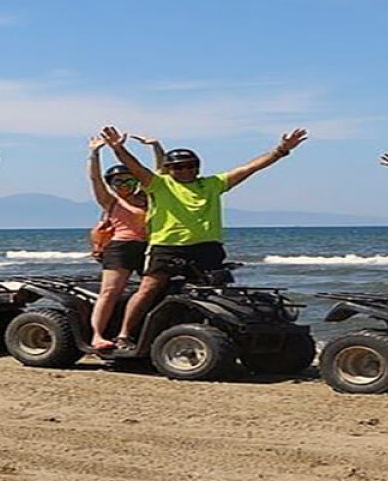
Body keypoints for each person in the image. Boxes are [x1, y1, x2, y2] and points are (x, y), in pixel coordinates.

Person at [100, 125, 308, 348]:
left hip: (207, 248)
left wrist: (281, 150)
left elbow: (250, 168)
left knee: (214, 292)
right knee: (149, 288)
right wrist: (118, 148)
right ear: (168, 169)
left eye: (190, 166)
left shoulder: (212, 184)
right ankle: (124, 335)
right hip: (167, 247)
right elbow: (136, 167)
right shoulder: (159, 184)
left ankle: (212, 335)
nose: (185, 170)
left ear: (197, 167)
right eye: (178, 167)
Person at [86, 134, 164, 350]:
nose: (124, 185)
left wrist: (156, 147)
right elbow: (95, 179)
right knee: (110, 292)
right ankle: (97, 336)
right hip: (121, 247)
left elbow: (161, 173)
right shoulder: (110, 201)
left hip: (149, 247)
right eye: (117, 182)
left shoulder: (147, 197)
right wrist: (94, 153)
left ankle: (133, 332)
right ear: (111, 185)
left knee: (153, 289)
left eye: (129, 180)